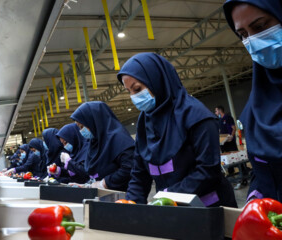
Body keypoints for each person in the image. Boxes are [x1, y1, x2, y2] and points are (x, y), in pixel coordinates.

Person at [118, 53, 237, 207]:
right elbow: (139, 173)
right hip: (170, 208)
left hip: (208, 207)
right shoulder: (144, 122)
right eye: (129, 92)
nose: (134, 97)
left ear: (157, 80)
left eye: (137, 89)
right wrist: (130, 203)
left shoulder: (197, 116)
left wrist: (167, 196)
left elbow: (207, 171)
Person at [223, 0, 282, 201]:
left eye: (260, 26)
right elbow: (262, 169)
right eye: (244, 35)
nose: (254, 41)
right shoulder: (255, 107)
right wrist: (255, 198)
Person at [70, 101, 135, 191]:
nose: (81, 131)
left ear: (94, 121)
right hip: (106, 195)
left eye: (82, 127)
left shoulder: (118, 138)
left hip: (124, 195)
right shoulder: (95, 142)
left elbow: (129, 168)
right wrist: (87, 185)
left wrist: (105, 183)